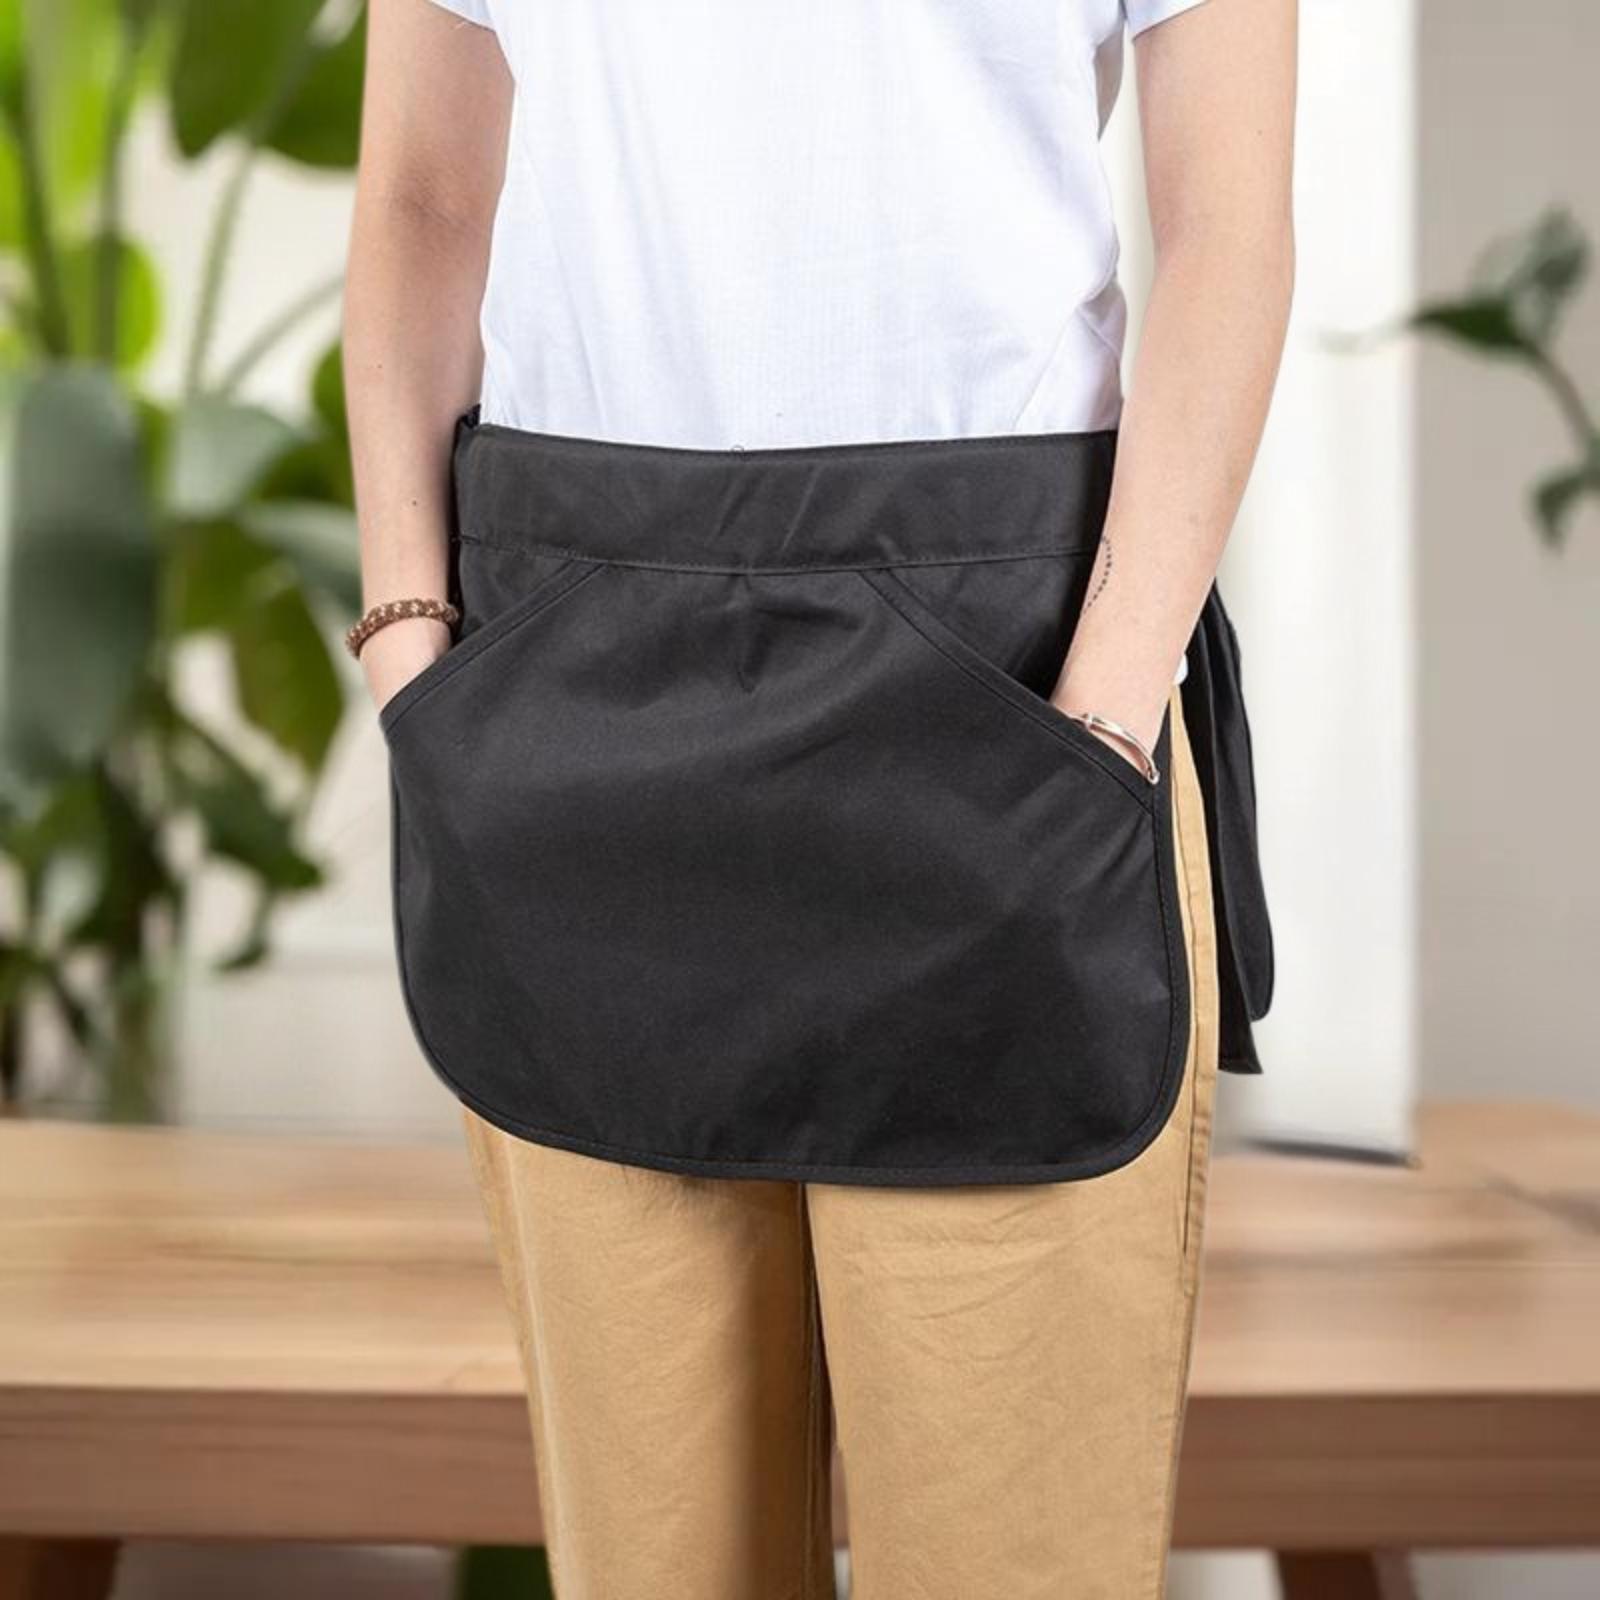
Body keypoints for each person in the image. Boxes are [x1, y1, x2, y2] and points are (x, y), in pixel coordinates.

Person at [343, 0, 1295, 1593]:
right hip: (578, 723)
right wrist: (406, 637)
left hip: (1014, 710)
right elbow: (424, 199)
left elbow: (1229, 232)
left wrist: (1109, 709)